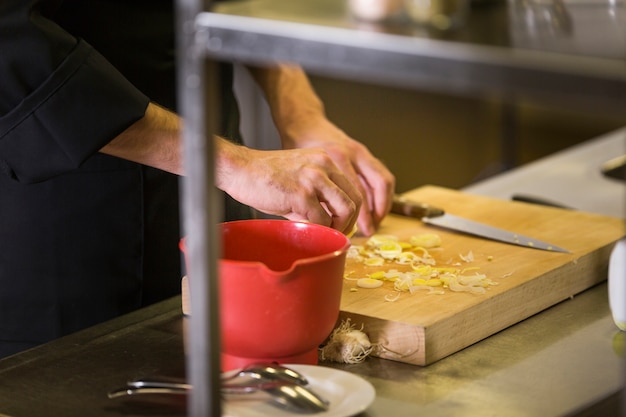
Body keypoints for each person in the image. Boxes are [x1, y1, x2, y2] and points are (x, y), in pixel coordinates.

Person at [0, 0, 395, 358]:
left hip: (217, 189)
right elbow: (13, 47)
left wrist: (300, 114)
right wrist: (232, 164)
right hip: (64, 233)